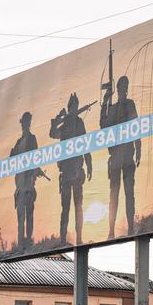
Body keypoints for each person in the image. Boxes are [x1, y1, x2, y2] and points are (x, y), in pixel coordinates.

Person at [50, 93, 93, 244]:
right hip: (66, 173)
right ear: (69, 108)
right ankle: (63, 239)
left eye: (76, 105)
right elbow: (52, 133)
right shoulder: (65, 124)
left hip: (77, 171)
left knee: (78, 207)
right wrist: (57, 119)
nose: (74, 108)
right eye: (72, 106)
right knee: (65, 208)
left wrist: (89, 164)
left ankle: (79, 237)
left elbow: (85, 143)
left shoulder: (79, 123)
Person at [100, 76, 140, 238]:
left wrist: (139, 147)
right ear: (118, 88)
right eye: (122, 86)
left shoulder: (130, 104)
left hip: (128, 155)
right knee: (113, 196)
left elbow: (136, 126)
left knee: (129, 194)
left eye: (126, 86)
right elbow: (103, 126)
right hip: (116, 157)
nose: (124, 88)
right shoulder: (113, 108)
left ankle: (131, 228)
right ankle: (111, 230)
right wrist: (105, 102)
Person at [10, 111, 48, 249]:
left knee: (29, 216)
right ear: (22, 123)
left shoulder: (32, 139)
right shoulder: (18, 142)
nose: (26, 124)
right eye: (25, 121)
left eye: (28, 121)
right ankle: (21, 246)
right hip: (20, 187)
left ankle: (29, 245)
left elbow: (35, 158)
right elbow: (11, 163)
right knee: (21, 218)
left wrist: (36, 171)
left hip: (29, 186)